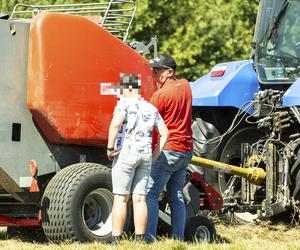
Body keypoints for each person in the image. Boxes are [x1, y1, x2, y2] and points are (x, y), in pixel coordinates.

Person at [107, 73, 169, 244]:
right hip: (145, 155)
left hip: (126, 153)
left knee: (121, 197)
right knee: (140, 198)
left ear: (128, 89)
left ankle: (116, 240)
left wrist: (110, 148)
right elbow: (165, 133)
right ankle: (140, 240)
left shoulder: (124, 105)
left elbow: (115, 124)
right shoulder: (151, 108)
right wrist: (155, 153)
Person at [145, 54, 193, 242]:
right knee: (176, 195)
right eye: (153, 70)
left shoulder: (160, 96)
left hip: (168, 150)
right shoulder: (186, 86)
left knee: (150, 193)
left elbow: (146, 123)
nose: (153, 74)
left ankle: (148, 239)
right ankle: (178, 239)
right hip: (186, 150)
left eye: (157, 70)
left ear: (170, 71)